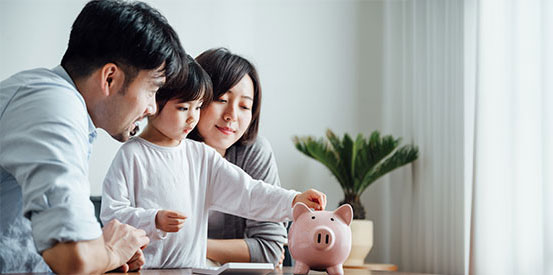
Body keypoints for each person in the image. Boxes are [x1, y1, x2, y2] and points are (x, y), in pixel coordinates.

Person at [0, 0, 188, 273]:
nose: (152, 108)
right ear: (110, 78)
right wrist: (109, 252)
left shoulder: (52, 99)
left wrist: (102, 255)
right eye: (152, 90)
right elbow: (74, 258)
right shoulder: (53, 104)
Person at [100, 55, 327, 269]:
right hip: (144, 270)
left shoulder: (200, 156)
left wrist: (293, 200)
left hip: (193, 270)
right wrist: (154, 219)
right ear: (154, 102)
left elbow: (248, 192)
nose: (192, 117)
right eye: (183, 108)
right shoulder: (131, 155)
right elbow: (112, 216)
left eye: (198, 107)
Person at [189, 48, 286, 266]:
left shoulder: (253, 152)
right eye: (221, 99)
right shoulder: (167, 150)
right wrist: (243, 249)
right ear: (195, 95)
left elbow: (269, 248)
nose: (232, 115)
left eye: (244, 106)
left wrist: (189, 246)